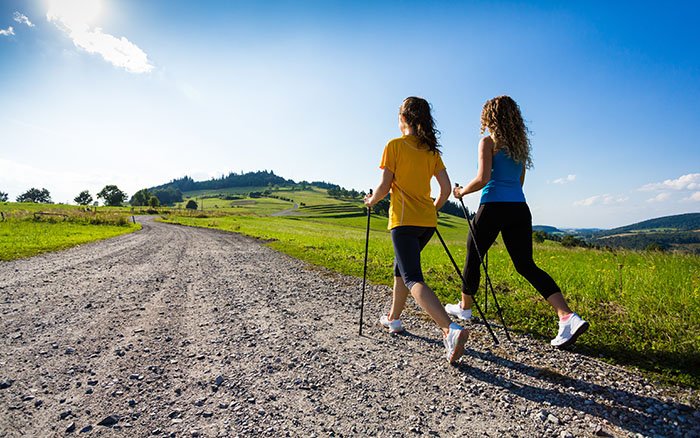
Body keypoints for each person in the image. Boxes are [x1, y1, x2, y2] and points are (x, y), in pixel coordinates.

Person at [447, 95, 589, 349]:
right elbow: (519, 182)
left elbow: (482, 178)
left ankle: (465, 308)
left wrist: (461, 192)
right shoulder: (519, 146)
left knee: (473, 253)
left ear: (489, 117)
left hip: (492, 205)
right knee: (525, 265)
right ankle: (567, 316)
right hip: (519, 208)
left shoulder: (488, 142)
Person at [364, 96, 469, 364]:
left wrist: (370, 201)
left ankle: (450, 329)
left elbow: (385, 186)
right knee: (400, 269)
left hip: (403, 221)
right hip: (427, 222)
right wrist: (433, 208)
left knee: (412, 278)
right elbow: (445, 190)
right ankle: (394, 319)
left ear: (403, 118)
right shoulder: (432, 151)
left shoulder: (394, 146)